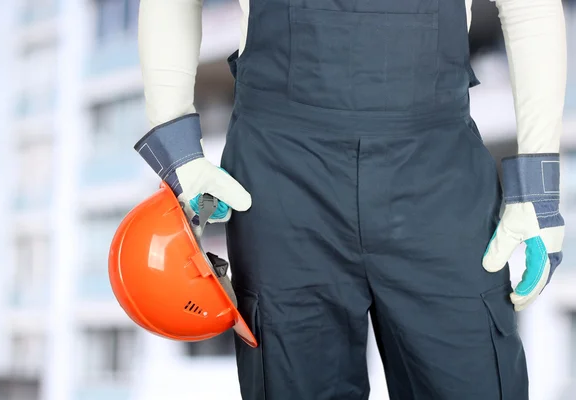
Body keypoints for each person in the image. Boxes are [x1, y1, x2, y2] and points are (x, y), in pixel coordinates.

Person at [135, 0, 567, 398]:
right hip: (282, 181)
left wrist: (539, 191)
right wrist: (178, 154)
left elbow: (528, 6)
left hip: (437, 175)